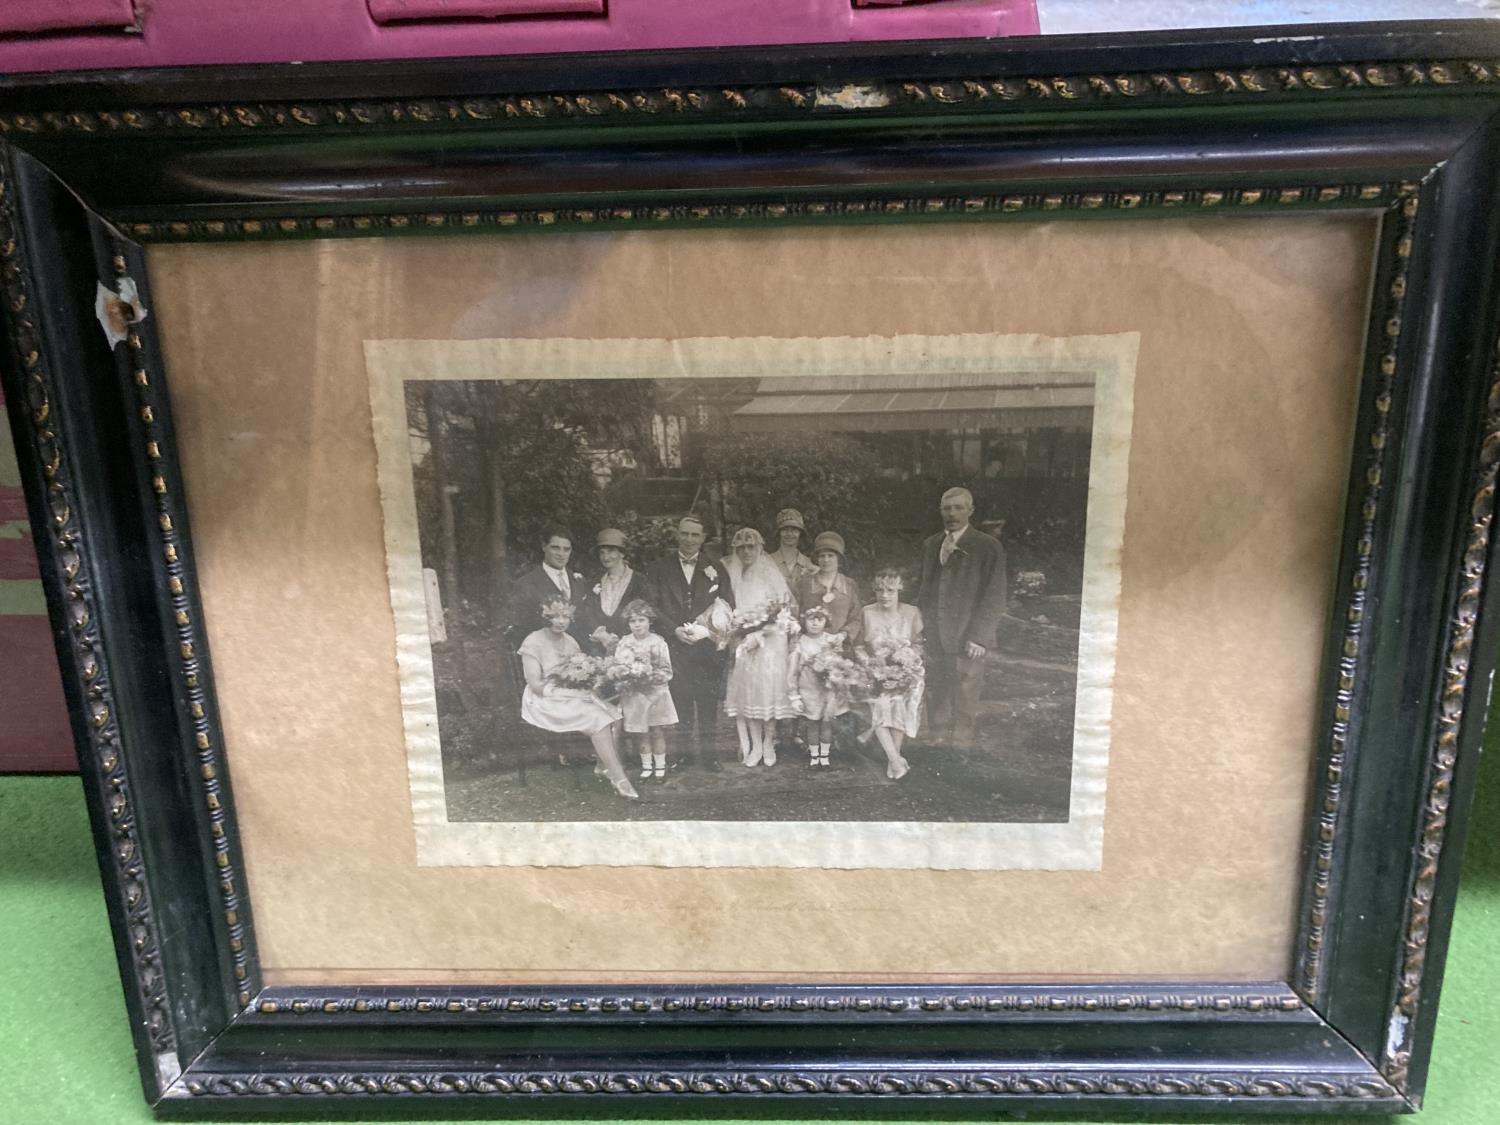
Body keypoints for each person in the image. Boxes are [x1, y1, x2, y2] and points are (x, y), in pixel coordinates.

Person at [914, 486, 1007, 750]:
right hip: (935, 636)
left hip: (967, 638)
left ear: (970, 510)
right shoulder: (931, 544)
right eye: (947, 508)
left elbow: (994, 595)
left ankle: (960, 754)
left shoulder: (987, 546)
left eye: (958, 508)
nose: (952, 514)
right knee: (937, 693)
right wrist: (920, 629)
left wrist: (979, 637)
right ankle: (937, 747)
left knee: (965, 697)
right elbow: (924, 590)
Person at [516, 596, 636, 800]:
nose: (561, 621)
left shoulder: (570, 641)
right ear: (545, 617)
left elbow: (577, 673)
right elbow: (536, 685)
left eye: (565, 616)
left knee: (615, 715)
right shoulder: (533, 641)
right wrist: (568, 691)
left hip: (569, 694)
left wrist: (584, 684)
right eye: (555, 616)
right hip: (543, 700)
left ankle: (602, 765)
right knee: (597, 717)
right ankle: (619, 778)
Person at [642, 516, 733, 769]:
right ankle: (681, 755)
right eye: (685, 534)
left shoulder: (717, 568)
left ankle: (709, 755)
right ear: (677, 535)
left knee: (707, 703)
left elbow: (727, 605)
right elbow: (651, 604)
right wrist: (673, 631)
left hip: (707, 649)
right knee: (680, 701)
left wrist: (707, 630)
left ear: (703, 538)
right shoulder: (659, 568)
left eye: (695, 535)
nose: (689, 539)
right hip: (675, 647)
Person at [723, 527, 798, 767]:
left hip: (771, 642)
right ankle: (754, 744)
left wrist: (761, 633)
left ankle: (768, 743)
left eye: (751, 547)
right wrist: (737, 631)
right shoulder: (734, 573)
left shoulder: (769, 572)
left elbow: (783, 609)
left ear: (760, 548)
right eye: (741, 547)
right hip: (745, 640)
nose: (746, 551)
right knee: (748, 693)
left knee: (768, 692)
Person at [858, 568, 924, 780]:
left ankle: (892, 758)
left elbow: (919, 644)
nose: (884, 595)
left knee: (901, 706)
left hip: (904, 669)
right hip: (875, 670)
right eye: (879, 590)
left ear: (899, 590)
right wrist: (870, 663)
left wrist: (907, 661)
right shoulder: (866, 612)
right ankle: (895, 760)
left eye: (890, 590)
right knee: (880, 706)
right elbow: (858, 646)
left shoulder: (911, 612)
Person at [610, 599, 678, 780]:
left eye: (641, 620)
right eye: (633, 621)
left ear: (649, 621)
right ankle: (647, 767)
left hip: (655, 694)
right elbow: (618, 666)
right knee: (642, 733)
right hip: (634, 695)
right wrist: (628, 675)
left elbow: (666, 671)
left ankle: (660, 767)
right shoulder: (625, 643)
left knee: (656, 730)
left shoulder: (658, 643)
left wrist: (649, 676)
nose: (637, 625)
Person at [787, 604, 849, 768]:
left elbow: (839, 666)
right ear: (804, 621)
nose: (815, 623)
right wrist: (794, 695)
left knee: (827, 722)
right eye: (810, 619)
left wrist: (836, 684)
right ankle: (814, 756)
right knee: (812, 723)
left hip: (827, 689)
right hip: (808, 688)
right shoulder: (800, 642)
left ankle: (825, 756)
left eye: (819, 619)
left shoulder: (830, 640)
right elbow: (793, 671)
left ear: (826, 621)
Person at [509, 525, 587, 641]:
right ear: (544, 547)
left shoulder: (579, 582)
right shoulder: (526, 584)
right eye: (555, 548)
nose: (561, 554)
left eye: (566, 549)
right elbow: (521, 628)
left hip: (578, 652)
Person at [578, 527, 647, 654]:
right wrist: (602, 635)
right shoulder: (595, 580)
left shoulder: (639, 581)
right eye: (602, 552)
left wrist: (617, 639)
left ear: (622, 553)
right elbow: (587, 611)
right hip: (598, 649)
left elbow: (643, 615)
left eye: (611, 551)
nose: (606, 557)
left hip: (631, 648)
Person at [767, 508, 816, 585]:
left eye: (794, 530)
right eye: (785, 529)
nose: (789, 534)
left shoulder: (808, 564)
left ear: (800, 533)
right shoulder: (768, 561)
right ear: (779, 533)